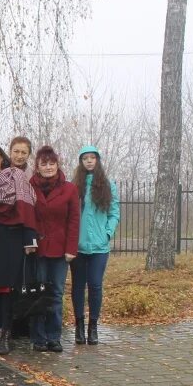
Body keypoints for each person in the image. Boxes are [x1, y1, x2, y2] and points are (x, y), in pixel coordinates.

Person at [0, 143, 39, 356]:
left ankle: (5, 334)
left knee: (9, 288)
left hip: (13, 239)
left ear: (1, 157)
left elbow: (28, 207)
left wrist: (30, 238)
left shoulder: (16, 177)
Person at [29, 146, 79, 353]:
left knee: (56, 294)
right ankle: (38, 338)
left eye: (52, 163)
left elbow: (74, 220)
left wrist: (71, 249)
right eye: (44, 164)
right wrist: (29, 241)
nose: (48, 167)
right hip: (37, 249)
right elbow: (27, 215)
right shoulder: (30, 186)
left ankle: (54, 337)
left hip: (60, 250)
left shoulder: (69, 189)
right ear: (37, 167)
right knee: (38, 293)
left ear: (57, 165)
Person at [71, 145, 120, 345]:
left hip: (99, 247)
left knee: (95, 285)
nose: (89, 161)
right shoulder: (74, 186)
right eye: (85, 158)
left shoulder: (108, 185)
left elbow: (114, 212)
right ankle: (79, 326)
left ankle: (93, 326)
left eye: (93, 158)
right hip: (77, 246)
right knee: (77, 286)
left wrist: (107, 233)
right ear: (81, 162)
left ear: (98, 161)